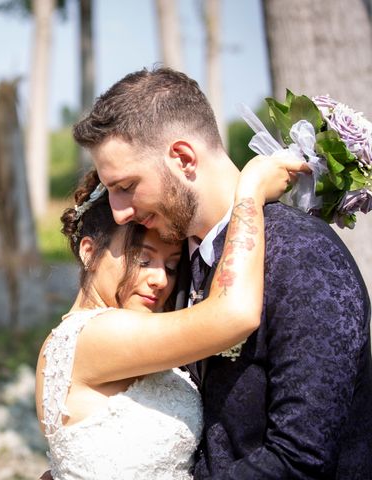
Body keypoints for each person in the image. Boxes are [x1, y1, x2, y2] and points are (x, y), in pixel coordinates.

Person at [72, 67, 372, 478]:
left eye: (126, 185)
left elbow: (300, 459)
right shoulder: (176, 266)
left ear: (182, 158)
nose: (120, 211)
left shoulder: (304, 254)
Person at [35, 155, 307, 479]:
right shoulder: (92, 334)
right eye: (143, 259)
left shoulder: (108, 335)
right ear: (89, 251)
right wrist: (250, 191)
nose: (161, 280)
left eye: (172, 265)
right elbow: (233, 314)